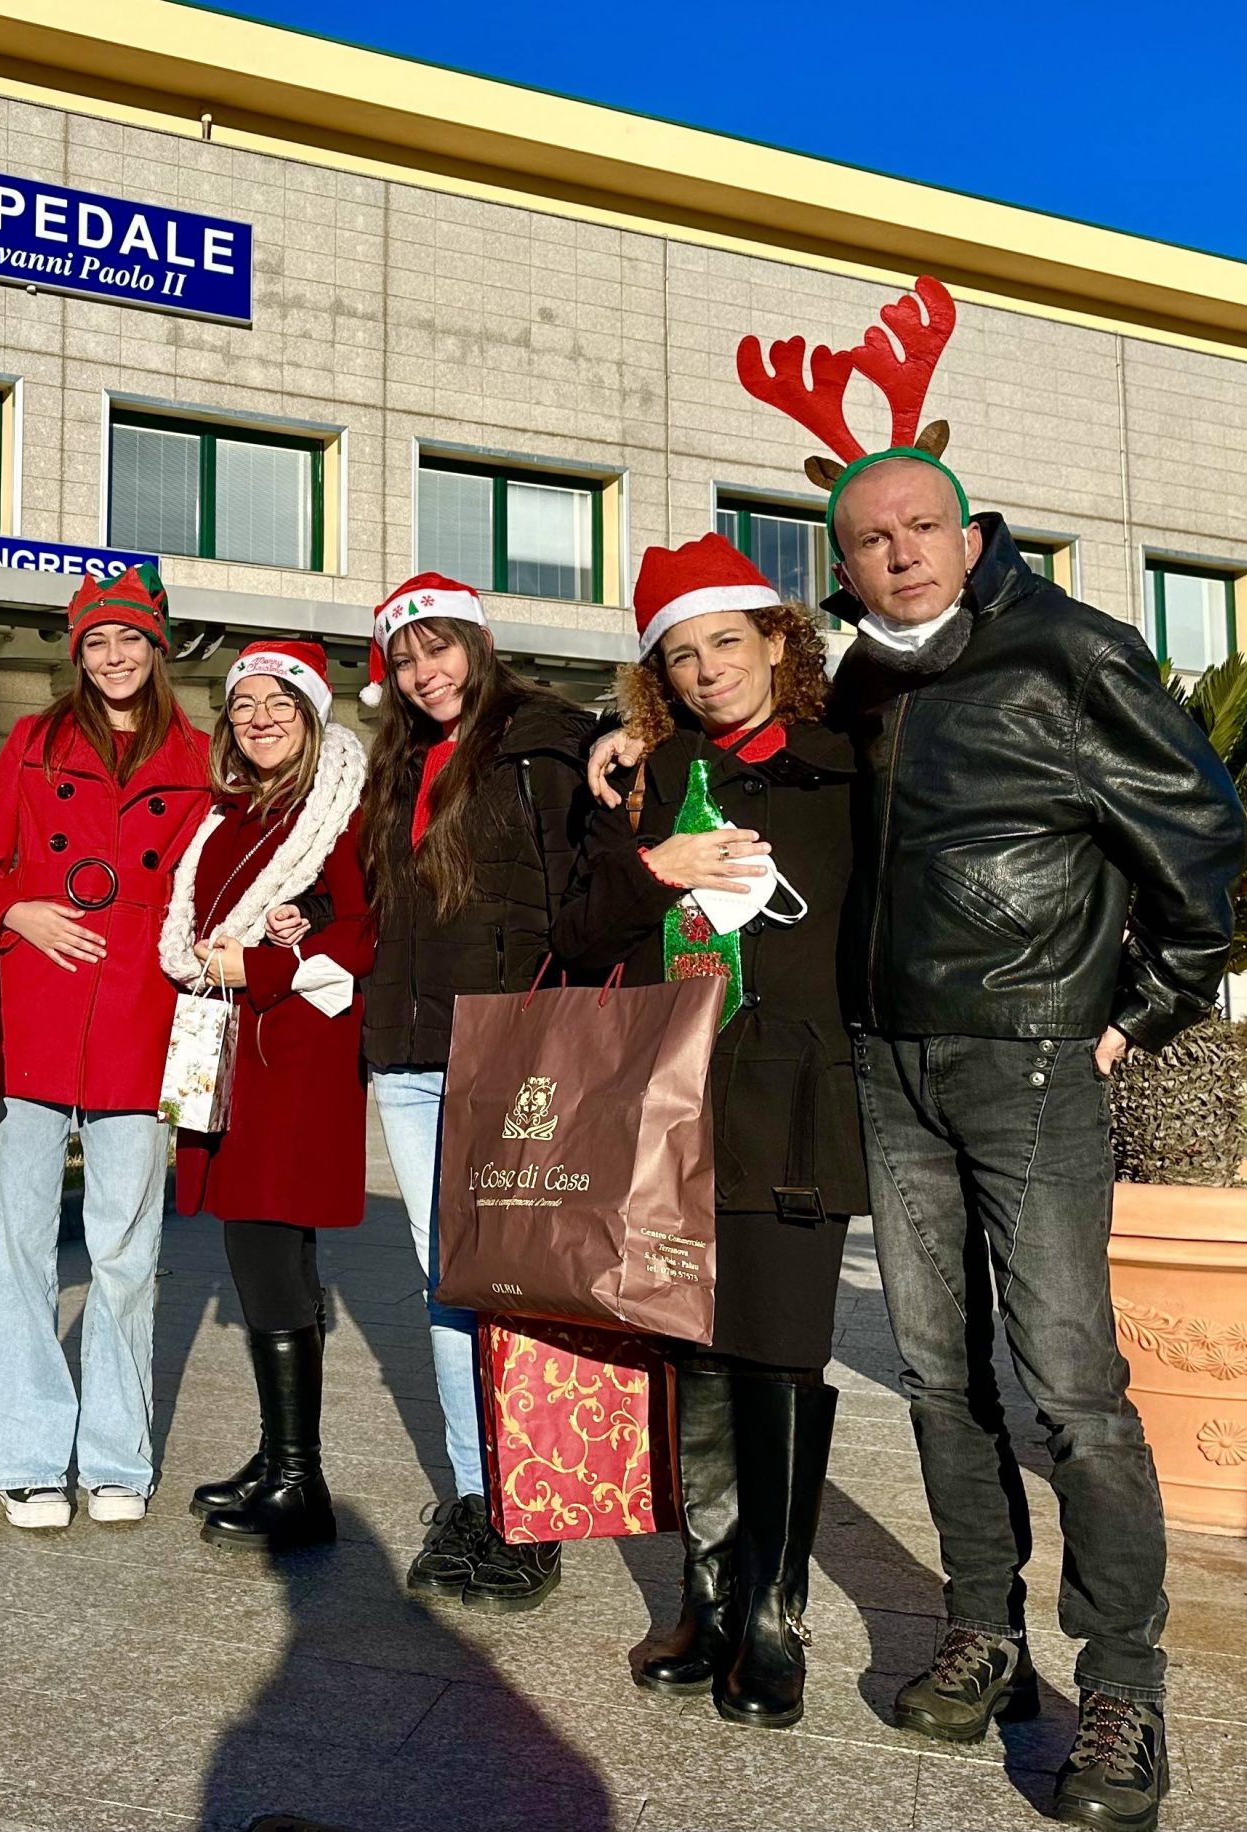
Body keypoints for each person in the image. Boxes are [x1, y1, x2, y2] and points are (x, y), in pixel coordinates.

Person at [712, 277, 1239, 1832]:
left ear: (965, 531)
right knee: (942, 1378)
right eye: (865, 540)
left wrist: (1142, 1010)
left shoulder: (1068, 653)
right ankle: (986, 1632)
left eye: (916, 531)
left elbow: (1199, 830)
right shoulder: (860, 679)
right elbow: (746, 749)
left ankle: (1124, 1688)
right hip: (894, 1065)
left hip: (1029, 1065)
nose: (892, 554)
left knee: (1070, 1386)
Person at [552, 534, 862, 1731]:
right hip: (670, 1106)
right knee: (693, 1349)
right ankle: (710, 1592)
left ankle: (775, 1620)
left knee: (780, 1350)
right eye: (680, 656)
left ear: (777, 638)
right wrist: (649, 861)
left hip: (792, 1098)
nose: (705, 669)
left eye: (725, 641)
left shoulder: (845, 767)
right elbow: (580, 936)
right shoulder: (647, 773)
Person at [355, 572, 596, 1613]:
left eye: (439, 649)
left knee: (517, 1281)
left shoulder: (546, 740)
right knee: (449, 1282)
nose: (424, 672)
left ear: (479, 645)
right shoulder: (397, 764)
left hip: (509, 1043)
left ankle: (533, 1503)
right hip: (409, 1052)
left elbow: (579, 890)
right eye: (405, 660)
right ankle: (474, 1492)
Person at [0, 564, 212, 1529]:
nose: (114, 658)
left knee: (125, 1251)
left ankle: (114, 1455)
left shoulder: (198, 755)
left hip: (139, 1021)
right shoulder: (30, 741)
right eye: (97, 643)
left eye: (131, 640)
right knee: (18, 1246)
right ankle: (25, 1452)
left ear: (158, 649)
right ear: (78, 654)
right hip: (33, 1012)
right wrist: (16, 906)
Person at [159, 640, 373, 1552]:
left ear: (315, 716)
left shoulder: (344, 811)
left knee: (270, 1245)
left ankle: (300, 1482)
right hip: (230, 1051)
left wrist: (268, 961)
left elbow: (367, 927)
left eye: (280, 704)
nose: (261, 720)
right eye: (244, 707)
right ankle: (281, 1457)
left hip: (294, 1057)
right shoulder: (232, 815)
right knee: (257, 1253)